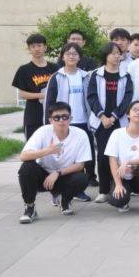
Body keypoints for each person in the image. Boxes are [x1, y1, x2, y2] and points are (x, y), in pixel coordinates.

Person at [17, 102, 91, 223]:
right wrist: (48, 151)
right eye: (57, 118)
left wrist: (57, 173)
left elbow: (80, 165)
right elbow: (24, 155)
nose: (61, 121)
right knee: (27, 167)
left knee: (82, 178)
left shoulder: (80, 135)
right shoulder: (43, 132)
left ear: (70, 118)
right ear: (50, 120)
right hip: (42, 177)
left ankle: (64, 201)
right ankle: (30, 207)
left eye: (65, 117)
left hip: (63, 175)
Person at [44, 42, 95, 198]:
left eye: (74, 54)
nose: (71, 56)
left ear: (80, 57)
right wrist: (48, 125)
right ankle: (58, 188)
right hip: (63, 123)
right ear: (62, 57)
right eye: (68, 54)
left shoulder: (85, 76)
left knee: (81, 157)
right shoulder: (57, 77)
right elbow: (49, 102)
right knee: (64, 156)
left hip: (83, 122)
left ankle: (78, 189)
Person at [87, 42, 133, 203]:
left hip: (118, 122)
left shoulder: (125, 75)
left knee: (119, 156)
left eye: (118, 53)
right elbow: (91, 97)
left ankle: (119, 187)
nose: (116, 56)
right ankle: (104, 190)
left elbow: (128, 98)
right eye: (113, 53)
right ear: (105, 55)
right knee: (103, 156)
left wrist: (113, 117)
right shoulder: (96, 74)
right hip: (101, 122)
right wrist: (102, 117)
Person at [105, 100, 139, 216]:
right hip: (122, 175)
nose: (138, 112)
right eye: (135, 109)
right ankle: (123, 199)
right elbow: (112, 160)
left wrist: (128, 162)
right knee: (118, 200)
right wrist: (118, 184)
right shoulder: (117, 133)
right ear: (128, 114)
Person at [12, 34, 58, 140]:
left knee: (54, 145)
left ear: (45, 47)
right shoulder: (24, 70)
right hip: (33, 116)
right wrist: (42, 95)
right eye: (33, 46)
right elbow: (22, 94)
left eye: (39, 45)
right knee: (33, 145)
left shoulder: (55, 68)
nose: (36, 49)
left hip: (54, 115)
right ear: (29, 49)